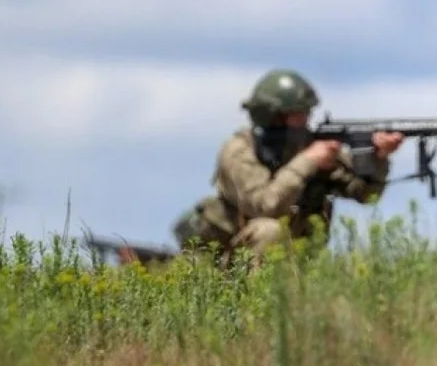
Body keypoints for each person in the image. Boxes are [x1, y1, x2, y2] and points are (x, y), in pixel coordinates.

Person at [171, 68, 404, 265]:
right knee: (269, 230)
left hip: (295, 261)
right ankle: (257, 315)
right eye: (298, 115)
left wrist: (378, 160)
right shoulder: (239, 152)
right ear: (273, 116)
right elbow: (265, 205)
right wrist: (307, 162)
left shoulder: (307, 147)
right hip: (228, 262)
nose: (306, 120)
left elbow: (366, 195)